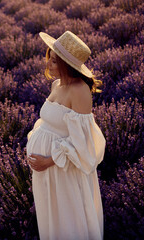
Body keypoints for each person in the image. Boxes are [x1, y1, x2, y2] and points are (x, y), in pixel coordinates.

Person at [26, 31, 106, 240]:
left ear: (66, 64)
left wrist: (48, 160)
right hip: (46, 173)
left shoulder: (79, 91)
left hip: (63, 171)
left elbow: (83, 142)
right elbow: (48, 124)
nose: (48, 65)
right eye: (49, 59)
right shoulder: (56, 85)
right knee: (52, 222)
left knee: (68, 223)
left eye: (54, 61)